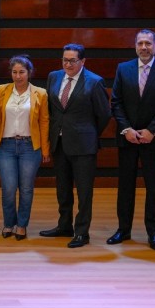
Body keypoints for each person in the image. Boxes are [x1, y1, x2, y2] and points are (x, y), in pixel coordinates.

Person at [109, 29, 155, 251]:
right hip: (128, 139)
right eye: (140, 43)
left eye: (148, 43)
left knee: (154, 188)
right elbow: (116, 102)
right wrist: (126, 129)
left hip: (154, 140)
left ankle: (154, 233)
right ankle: (123, 230)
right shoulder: (123, 68)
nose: (144, 47)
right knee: (125, 187)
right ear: (135, 46)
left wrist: (151, 131)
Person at [41, 43, 111, 248]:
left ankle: (82, 232)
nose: (68, 64)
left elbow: (104, 114)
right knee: (63, 189)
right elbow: (52, 110)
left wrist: (88, 133)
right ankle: (64, 226)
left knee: (84, 191)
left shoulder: (94, 81)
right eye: (65, 60)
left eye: (73, 60)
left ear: (83, 61)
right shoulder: (53, 77)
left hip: (83, 146)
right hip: (59, 143)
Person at [0, 55, 50, 240]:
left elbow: (44, 122)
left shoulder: (40, 93)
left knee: (26, 188)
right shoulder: (2, 90)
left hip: (29, 146)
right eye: (14, 72)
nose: (18, 76)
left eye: (22, 72)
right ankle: (9, 223)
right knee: (8, 188)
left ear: (29, 73)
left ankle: (22, 225)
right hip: (6, 146)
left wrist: (45, 149)